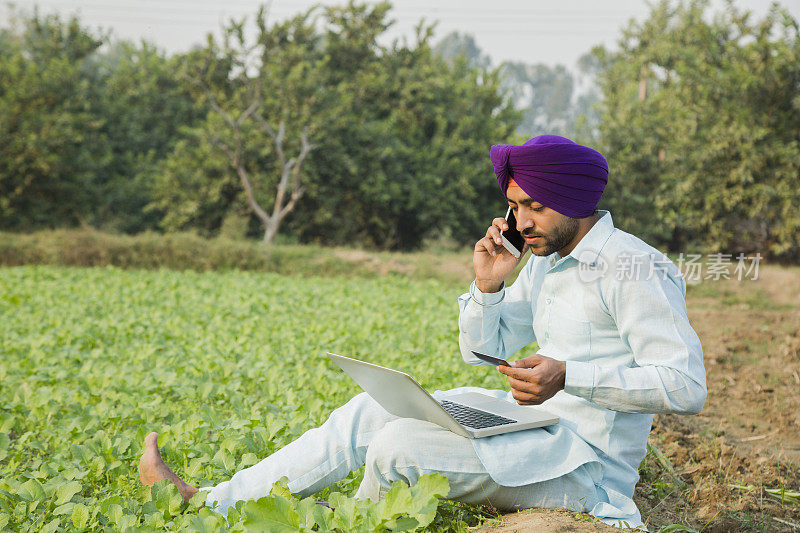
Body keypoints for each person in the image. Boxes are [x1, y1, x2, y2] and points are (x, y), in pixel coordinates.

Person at [138, 135, 707, 528]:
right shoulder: (547, 260)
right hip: (530, 427)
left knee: (399, 447)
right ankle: (208, 503)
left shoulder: (636, 268)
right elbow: (484, 351)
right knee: (369, 413)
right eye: (514, 206)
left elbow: (685, 385)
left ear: (574, 201)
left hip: (587, 468)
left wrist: (569, 376)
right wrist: (488, 287)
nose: (521, 221)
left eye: (533, 206)